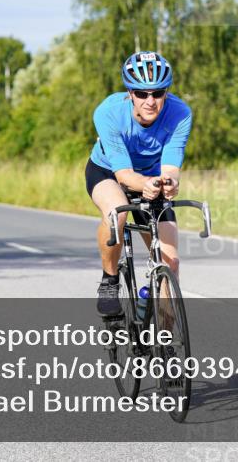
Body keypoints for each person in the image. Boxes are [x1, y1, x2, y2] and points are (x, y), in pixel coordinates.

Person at [85, 51, 192, 317]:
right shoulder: (108, 112)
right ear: (130, 93)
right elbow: (123, 175)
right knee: (116, 213)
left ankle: (166, 347)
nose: (150, 101)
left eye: (158, 93)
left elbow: (171, 166)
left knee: (171, 261)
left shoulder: (180, 113)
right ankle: (109, 281)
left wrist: (170, 183)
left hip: (151, 177)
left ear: (166, 92)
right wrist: (144, 183)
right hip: (108, 172)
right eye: (142, 94)